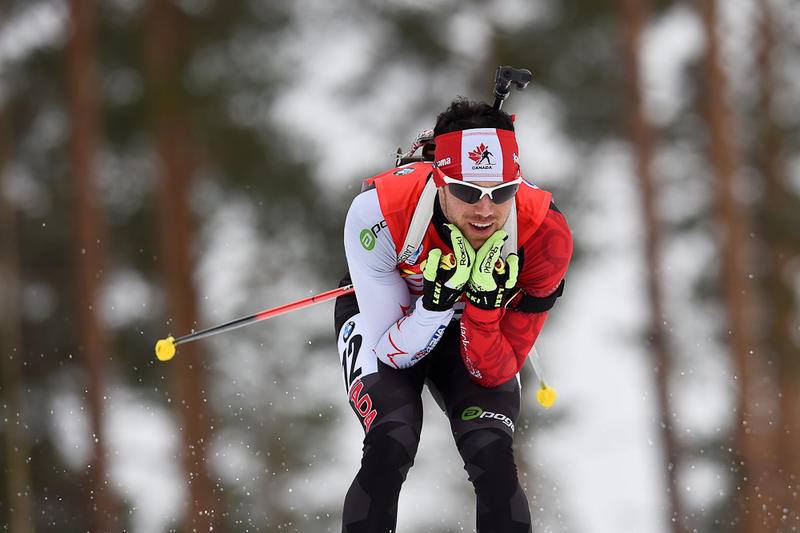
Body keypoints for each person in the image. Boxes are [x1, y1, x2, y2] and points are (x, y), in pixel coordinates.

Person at [334, 98, 572, 532]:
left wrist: (482, 309)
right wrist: (434, 306)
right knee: (392, 439)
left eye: (502, 192)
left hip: (477, 331)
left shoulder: (544, 234)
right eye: (466, 191)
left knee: (493, 458)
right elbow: (393, 354)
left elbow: (494, 369)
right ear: (438, 180)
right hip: (393, 317)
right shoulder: (378, 213)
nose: (486, 210)